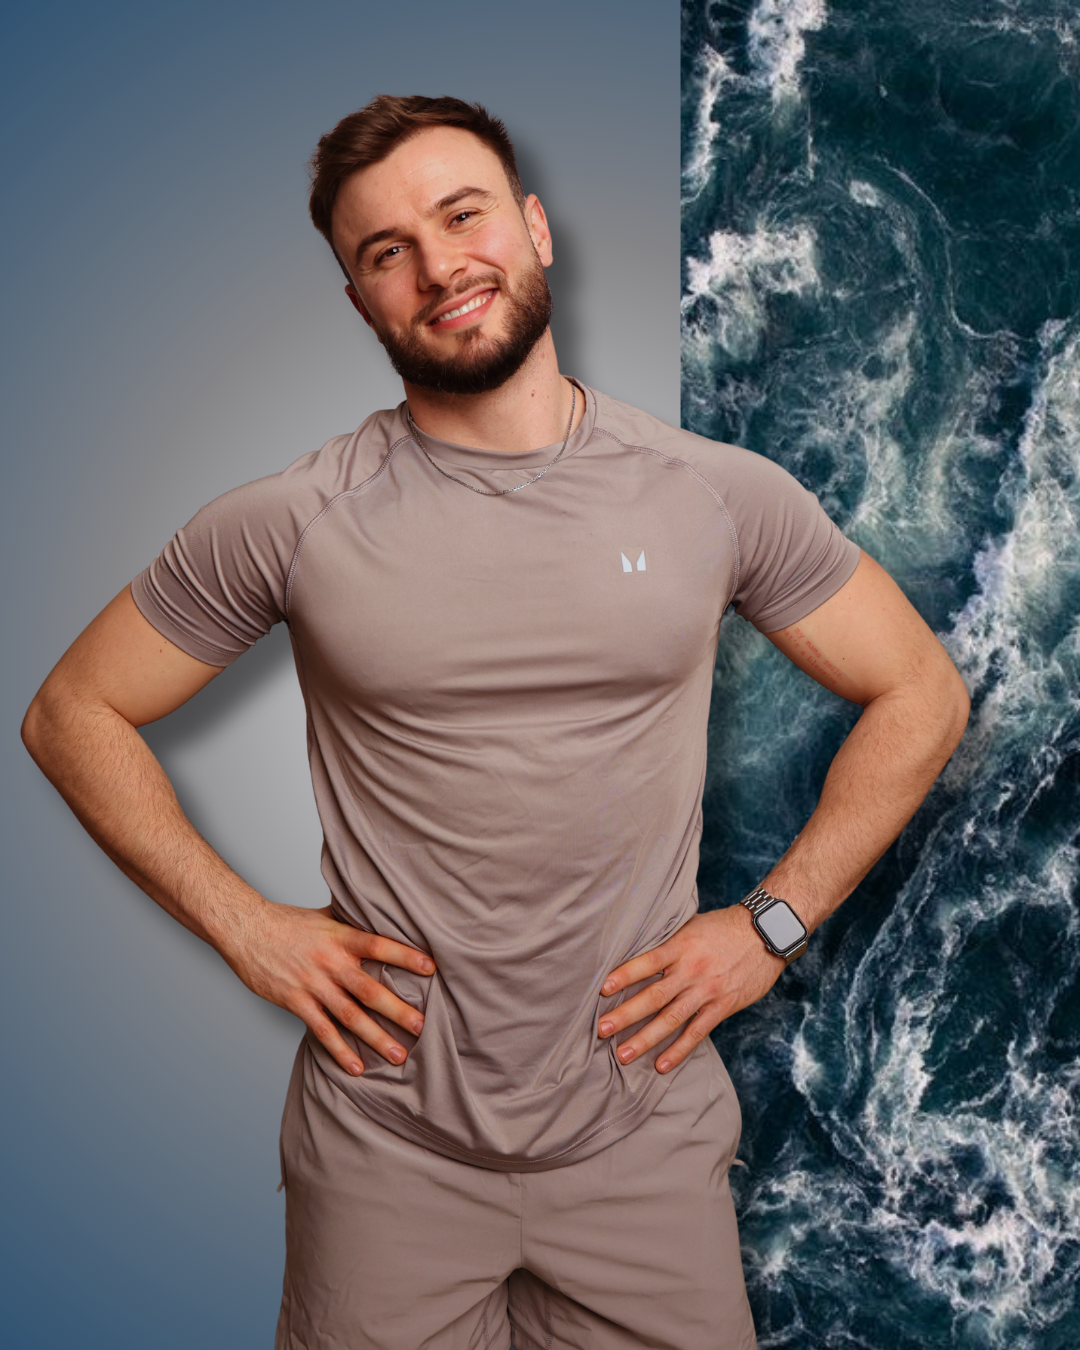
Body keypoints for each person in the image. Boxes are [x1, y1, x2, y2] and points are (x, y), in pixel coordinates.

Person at [21, 95, 970, 1350]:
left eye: (460, 217)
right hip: (384, 1158)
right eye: (384, 251)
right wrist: (246, 929)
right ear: (359, 300)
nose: (435, 267)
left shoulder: (712, 495)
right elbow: (71, 711)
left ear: (534, 228)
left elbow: (922, 692)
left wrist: (770, 926)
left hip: (641, 1142)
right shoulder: (292, 521)